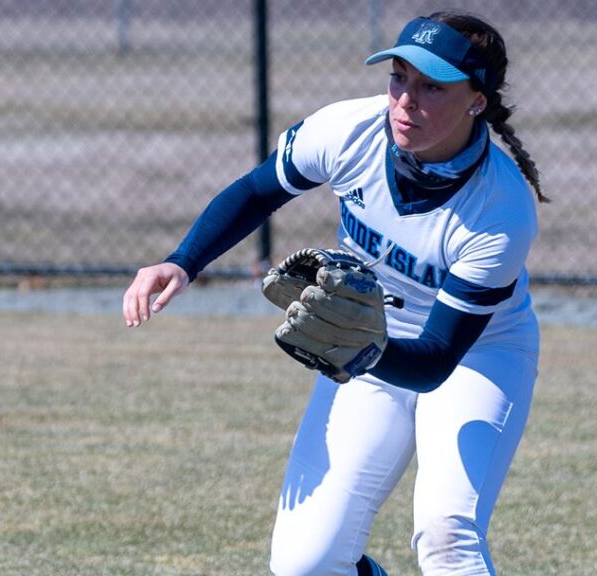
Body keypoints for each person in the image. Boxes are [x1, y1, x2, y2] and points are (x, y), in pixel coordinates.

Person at [122, 11, 546, 576]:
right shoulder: (348, 131)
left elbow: (437, 360)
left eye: (431, 87)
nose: (404, 101)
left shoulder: (500, 209)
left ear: (476, 101)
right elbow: (256, 191)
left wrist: (354, 345)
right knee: (306, 565)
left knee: (448, 539)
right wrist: (182, 261)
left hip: (476, 356)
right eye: (398, 77)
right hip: (371, 340)